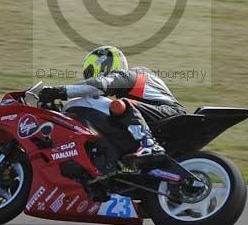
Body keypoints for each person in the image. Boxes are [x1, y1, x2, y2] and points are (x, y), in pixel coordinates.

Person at [39, 45, 186, 164]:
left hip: (171, 112)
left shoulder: (131, 74)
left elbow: (99, 85)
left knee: (120, 105)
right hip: (161, 114)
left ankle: (149, 145)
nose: (90, 77)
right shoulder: (132, 80)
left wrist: (59, 91)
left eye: (92, 72)